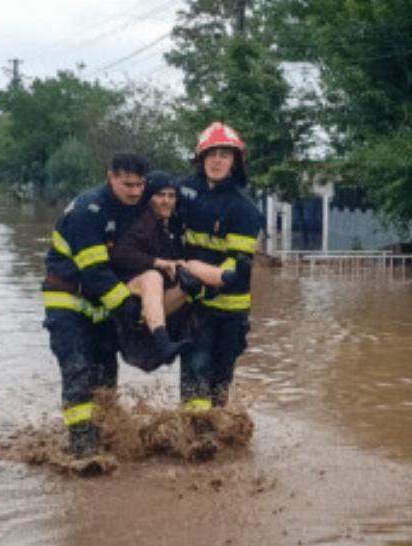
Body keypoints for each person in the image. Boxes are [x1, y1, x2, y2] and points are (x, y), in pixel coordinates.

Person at [42, 153, 149, 457]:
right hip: (68, 300)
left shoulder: (133, 208)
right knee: (78, 369)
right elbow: (95, 271)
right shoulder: (88, 211)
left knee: (105, 373)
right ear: (110, 177)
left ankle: (104, 435)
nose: (135, 191)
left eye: (140, 185)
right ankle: (82, 447)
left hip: (101, 305)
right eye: (128, 184)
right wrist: (128, 307)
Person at [109, 170, 247, 370]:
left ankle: (229, 277)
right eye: (160, 195)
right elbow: (119, 254)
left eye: (171, 196)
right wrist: (158, 262)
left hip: (162, 302)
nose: (166, 201)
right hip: (135, 300)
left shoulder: (173, 225)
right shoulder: (141, 222)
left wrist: (181, 269)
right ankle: (163, 342)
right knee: (152, 277)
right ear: (149, 198)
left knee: (190, 267)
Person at [177, 122, 265, 412]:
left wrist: (201, 277)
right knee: (195, 376)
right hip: (195, 306)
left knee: (219, 384)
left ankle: (215, 430)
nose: (217, 161)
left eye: (224, 155)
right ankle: (194, 432)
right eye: (211, 154)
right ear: (200, 159)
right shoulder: (182, 192)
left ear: (235, 162)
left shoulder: (243, 208)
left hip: (231, 311)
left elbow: (237, 266)